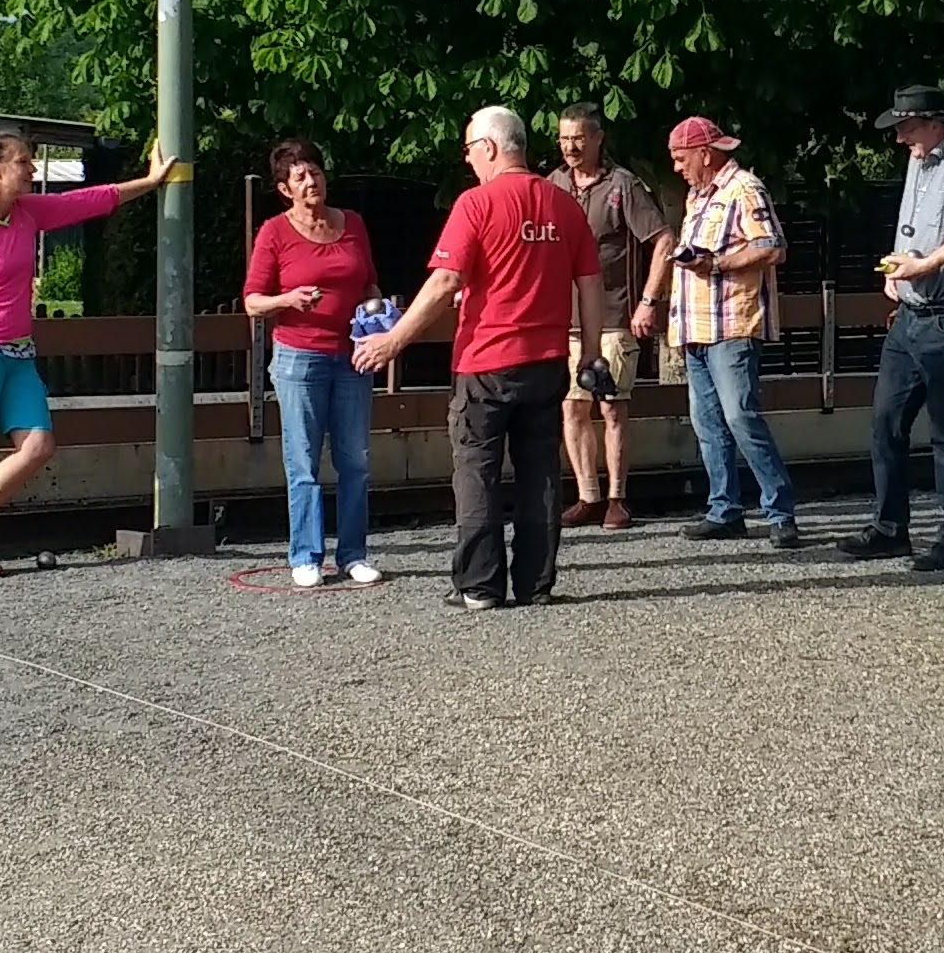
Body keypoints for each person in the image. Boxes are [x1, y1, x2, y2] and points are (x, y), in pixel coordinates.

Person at [355, 107, 604, 609]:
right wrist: (592, 353)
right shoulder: (564, 204)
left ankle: (480, 585)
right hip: (547, 359)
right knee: (540, 473)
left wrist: (393, 341)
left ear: (489, 147)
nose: (468, 159)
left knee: (476, 472)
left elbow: (446, 280)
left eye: (469, 149)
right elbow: (591, 285)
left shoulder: (476, 203)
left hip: (486, 360)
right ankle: (535, 584)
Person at [0, 132, 179, 576]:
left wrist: (150, 182)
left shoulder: (27, 213)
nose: (31, 170)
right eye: (23, 161)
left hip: (19, 352)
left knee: (39, 445)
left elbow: (86, 201)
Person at [839, 82, 944, 570]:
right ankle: (890, 529)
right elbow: (914, 228)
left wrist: (923, 266)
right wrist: (898, 268)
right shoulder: (920, 161)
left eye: (906, 128)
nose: (900, 138)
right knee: (886, 421)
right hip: (911, 314)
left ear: (934, 123)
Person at [242, 137, 385, 589]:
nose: (311, 182)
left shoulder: (353, 223)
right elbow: (252, 301)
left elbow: (369, 284)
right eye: (300, 177)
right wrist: (289, 299)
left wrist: (377, 314)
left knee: (355, 460)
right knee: (303, 461)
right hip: (299, 358)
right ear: (285, 189)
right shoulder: (274, 232)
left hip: (352, 354)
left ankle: (353, 554)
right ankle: (305, 555)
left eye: (316, 173)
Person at [655, 113, 801, 546]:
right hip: (697, 326)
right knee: (709, 424)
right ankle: (724, 510)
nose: (677, 168)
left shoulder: (744, 188)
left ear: (705, 154)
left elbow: (772, 247)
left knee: (740, 417)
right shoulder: (697, 197)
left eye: (681, 159)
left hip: (733, 324)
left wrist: (716, 264)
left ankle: (780, 512)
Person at [550, 103, 674, 530]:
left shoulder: (623, 185)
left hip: (614, 316)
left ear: (597, 139)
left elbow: (663, 240)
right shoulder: (552, 185)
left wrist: (648, 301)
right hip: (564, 319)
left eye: (578, 139)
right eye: (564, 139)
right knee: (572, 408)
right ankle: (587, 497)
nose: (570, 147)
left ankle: (617, 499)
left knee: (612, 408)